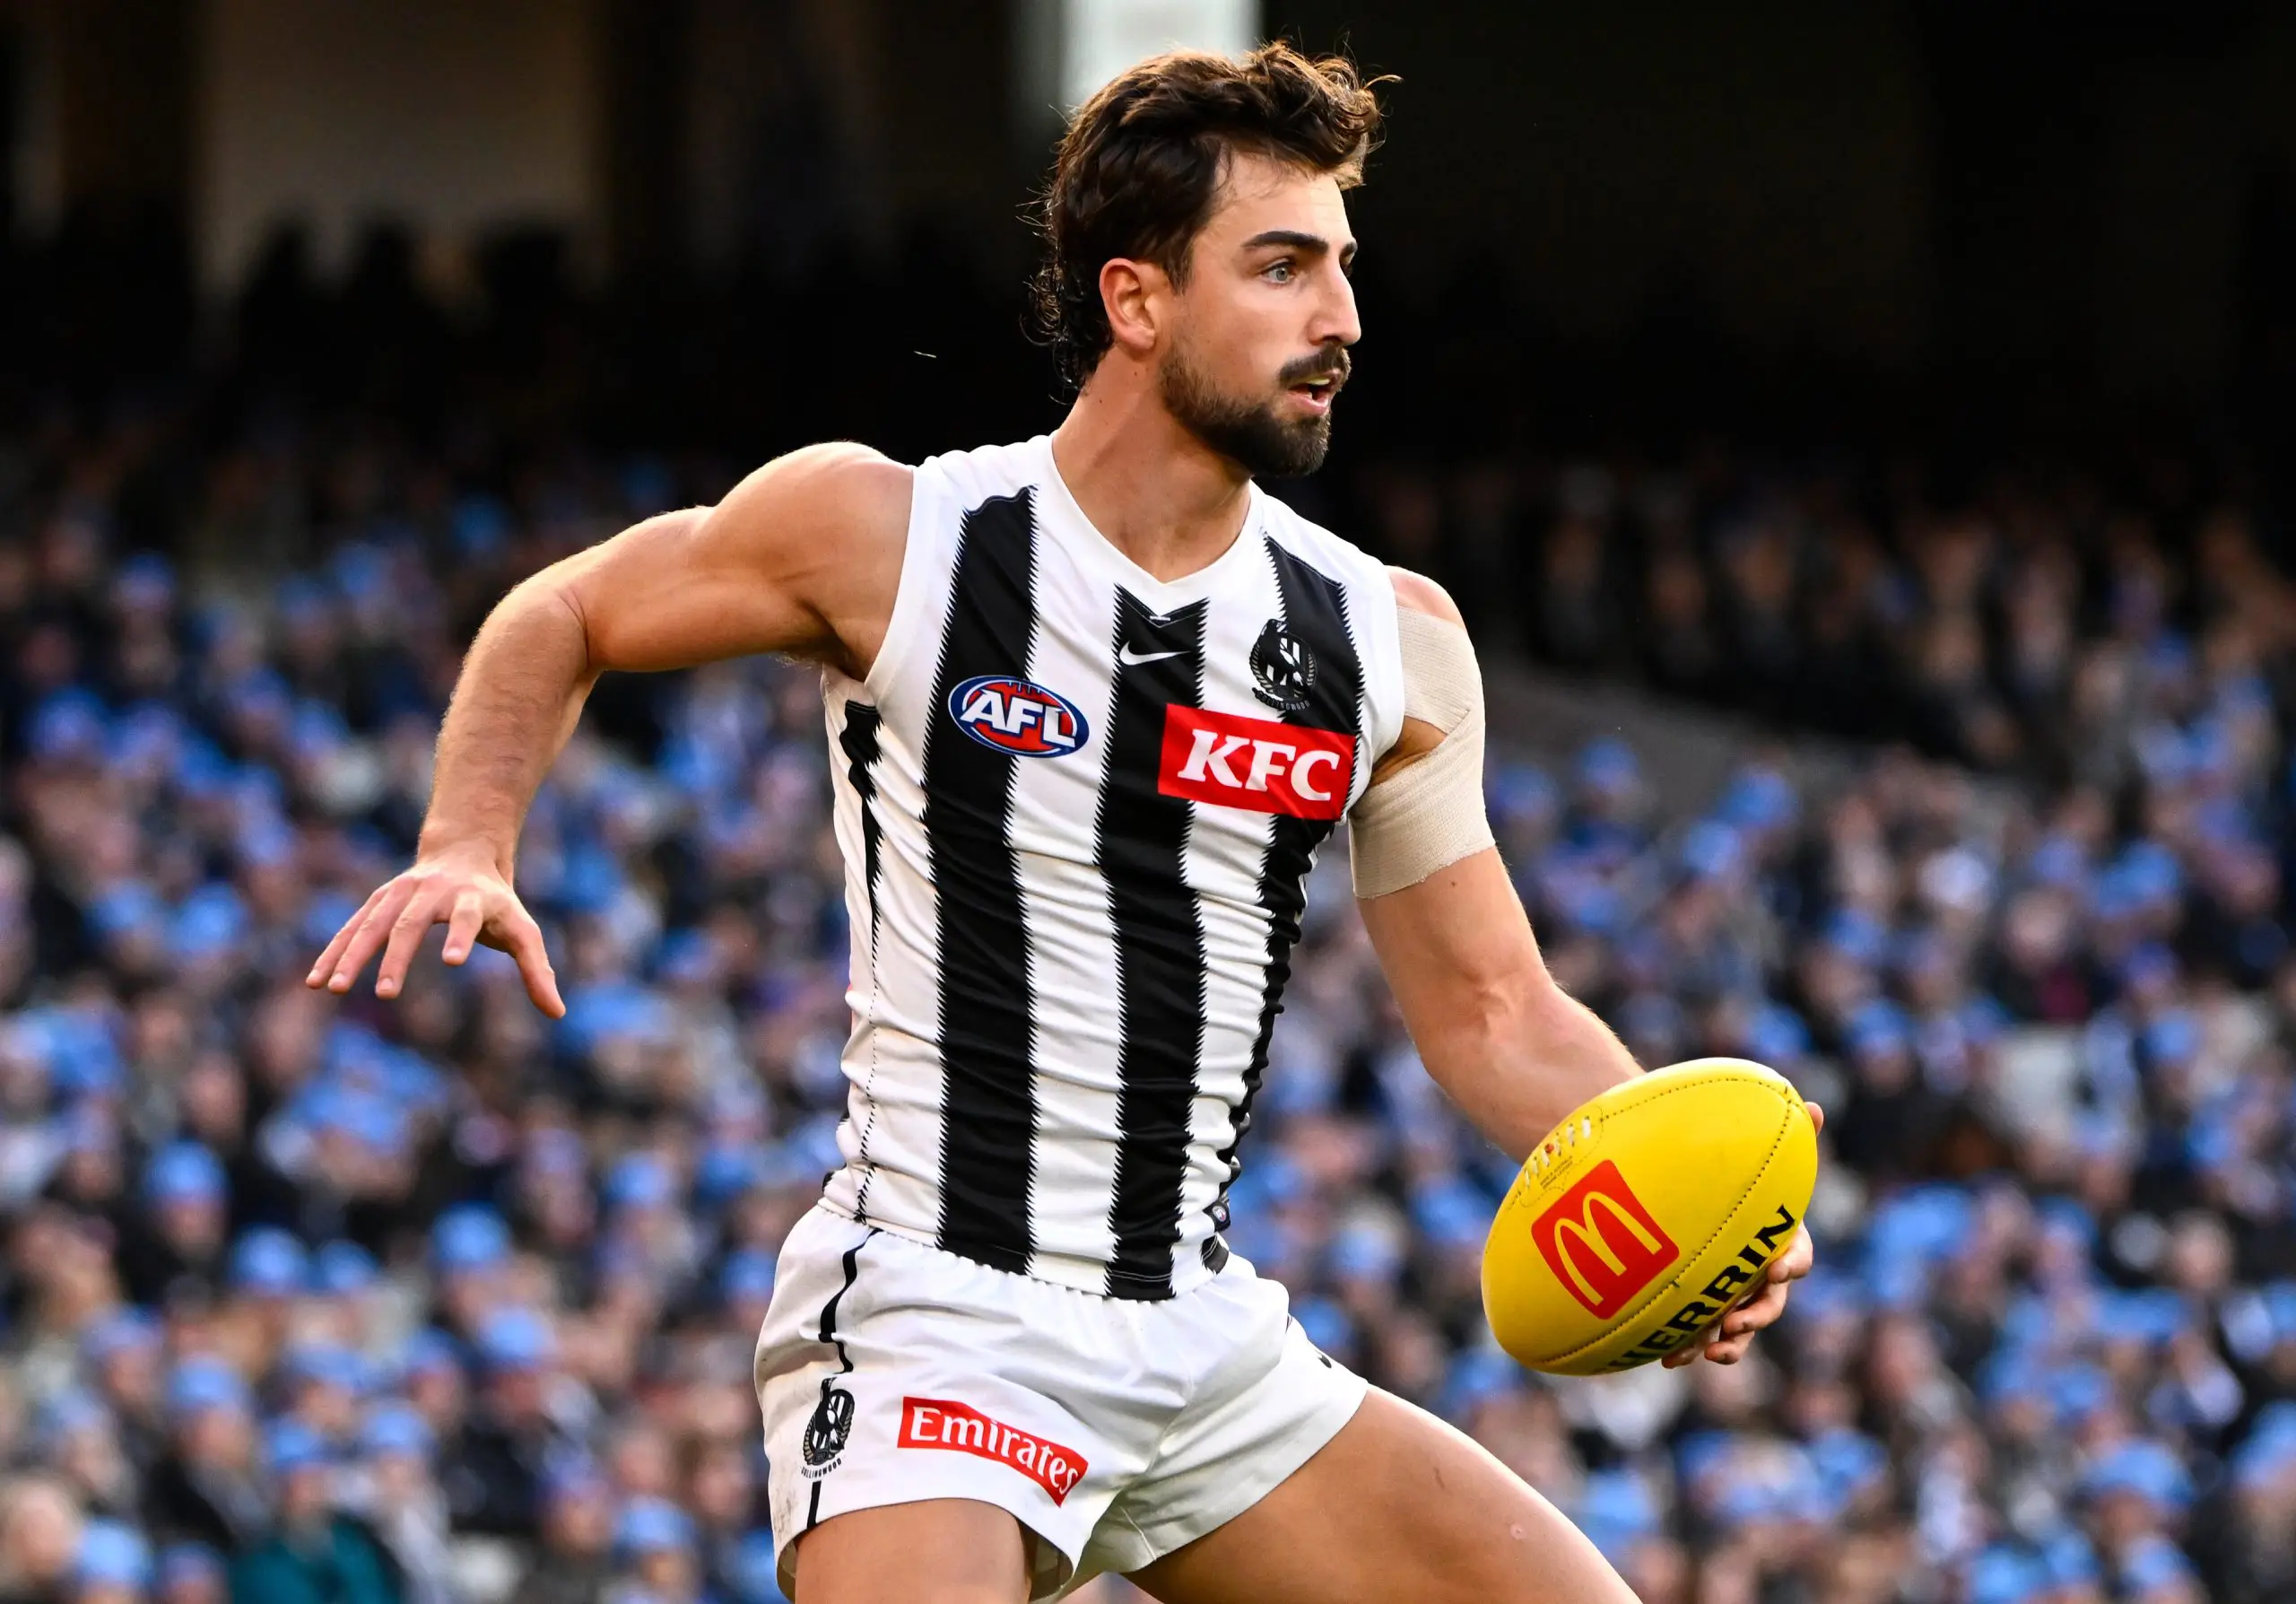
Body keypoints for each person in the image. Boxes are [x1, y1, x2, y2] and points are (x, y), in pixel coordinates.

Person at [309, 42, 1819, 1604]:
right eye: (1284, 268)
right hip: (941, 1323)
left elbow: (1498, 1013)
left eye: (1345, 271)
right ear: (1137, 300)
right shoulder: (893, 535)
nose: (1343, 323)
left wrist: (1679, 1205)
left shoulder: (1388, 637)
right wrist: (469, 839)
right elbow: (571, 611)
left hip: (1205, 1341)